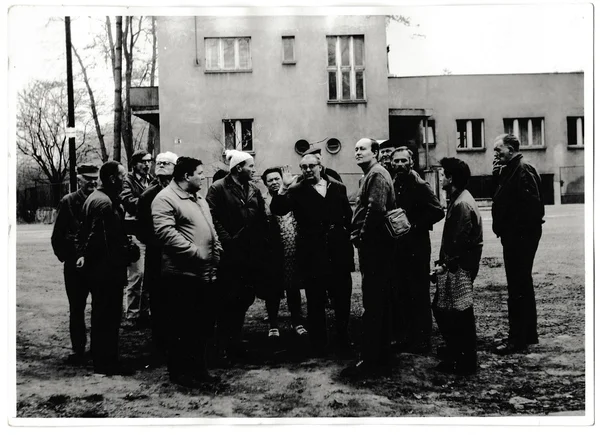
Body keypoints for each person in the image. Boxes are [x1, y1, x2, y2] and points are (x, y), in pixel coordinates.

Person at [271, 155, 354, 355]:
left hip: (337, 251)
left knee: (342, 297)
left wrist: (344, 236)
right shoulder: (297, 191)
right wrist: (283, 187)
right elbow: (278, 209)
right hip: (311, 251)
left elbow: (348, 216)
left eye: (311, 166)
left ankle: (342, 340)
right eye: (303, 167)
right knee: (315, 298)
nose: (308, 170)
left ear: (320, 166)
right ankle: (318, 344)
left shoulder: (337, 187)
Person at [152, 156, 222, 388]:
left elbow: (209, 227)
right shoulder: (165, 199)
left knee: (201, 327)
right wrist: (195, 252)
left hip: (206, 273)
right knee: (182, 327)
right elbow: (165, 233)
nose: (203, 177)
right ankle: (180, 373)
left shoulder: (198, 198)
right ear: (186, 176)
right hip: (182, 276)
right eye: (200, 173)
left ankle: (199, 370)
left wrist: (216, 247)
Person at [206, 150, 270, 364]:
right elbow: (211, 217)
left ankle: (235, 341)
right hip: (229, 253)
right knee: (227, 298)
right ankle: (222, 345)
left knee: (244, 297)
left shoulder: (253, 189)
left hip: (250, 253)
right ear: (238, 168)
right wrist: (227, 240)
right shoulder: (217, 188)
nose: (254, 170)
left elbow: (262, 216)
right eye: (250, 166)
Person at [76, 161, 137, 376]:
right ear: (113, 178)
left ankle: (104, 360)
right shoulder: (104, 203)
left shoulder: (99, 199)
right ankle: (105, 363)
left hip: (103, 270)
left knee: (104, 316)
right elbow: (98, 238)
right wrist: (123, 254)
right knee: (107, 317)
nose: (125, 179)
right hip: (106, 271)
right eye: (122, 175)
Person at [341, 138, 395, 378]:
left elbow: (376, 210)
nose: (357, 152)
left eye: (362, 148)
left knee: (374, 303)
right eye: (355, 149)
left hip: (375, 248)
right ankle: (378, 356)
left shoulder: (377, 175)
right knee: (376, 302)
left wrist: (361, 237)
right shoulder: (370, 175)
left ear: (376, 152)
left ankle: (372, 360)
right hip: (373, 247)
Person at [491, 134, 545, 355]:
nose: (495, 154)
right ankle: (528, 334)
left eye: (498, 150)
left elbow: (532, 207)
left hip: (520, 237)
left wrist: (514, 231)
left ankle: (517, 339)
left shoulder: (522, 169)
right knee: (522, 284)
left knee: (517, 287)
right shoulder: (511, 169)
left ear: (511, 149)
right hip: (517, 236)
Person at [389, 146, 444, 354]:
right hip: (399, 247)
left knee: (419, 293)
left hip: (417, 247)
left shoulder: (419, 184)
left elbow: (438, 211)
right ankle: (408, 337)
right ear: (391, 164)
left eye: (404, 161)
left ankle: (423, 339)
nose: (400, 165)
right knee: (402, 292)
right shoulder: (395, 183)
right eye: (397, 161)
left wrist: (414, 225)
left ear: (411, 162)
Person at [432, 157, 483, 375]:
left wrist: (445, 265)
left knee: (458, 312)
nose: (440, 177)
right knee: (451, 309)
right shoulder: (459, 198)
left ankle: (464, 361)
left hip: (459, 266)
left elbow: (459, 241)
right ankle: (458, 353)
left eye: (443, 174)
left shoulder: (462, 203)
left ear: (451, 178)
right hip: (458, 265)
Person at [51, 163, 99, 365]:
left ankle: (97, 350)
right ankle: (78, 350)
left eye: (95, 178)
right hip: (76, 267)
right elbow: (57, 237)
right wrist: (69, 259)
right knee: (77, 309)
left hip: (97, 264)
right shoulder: (68, 202)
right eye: (88, 179)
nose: (93, 182)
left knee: (98, 308)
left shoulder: (101, 200)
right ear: (79, 180)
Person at [136, 151, 178, 361]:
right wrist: (159, 241)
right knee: (158, 299)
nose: (164, 182)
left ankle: (176, 340)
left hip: (178, 254)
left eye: (168, 178)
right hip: (156, 255)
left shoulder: (182, 194)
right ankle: (160, 343)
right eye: (161, 178)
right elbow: (141, 229)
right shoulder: (147, 196)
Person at [260, 167, 307, 340]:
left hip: (292, 246)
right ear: (265, 183)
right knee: (273, 288)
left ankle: (297, 321)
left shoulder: (291, 195)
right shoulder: (262, 199)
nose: (274, 182)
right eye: (270, 180)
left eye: (276, 178)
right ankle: (273, 324)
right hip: (272, 249)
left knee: (293, 286)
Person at [120, 150, 154, 326]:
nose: (147, 165)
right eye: (143, 162)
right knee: (137, 274)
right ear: (134, 164)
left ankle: (145, 312)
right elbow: (128, 202)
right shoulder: (128, 181)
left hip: (149, 232)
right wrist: (148, 201)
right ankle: (132, 315)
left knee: (148, 275)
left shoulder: (152, 180)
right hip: (134, 233)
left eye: (149, 161)